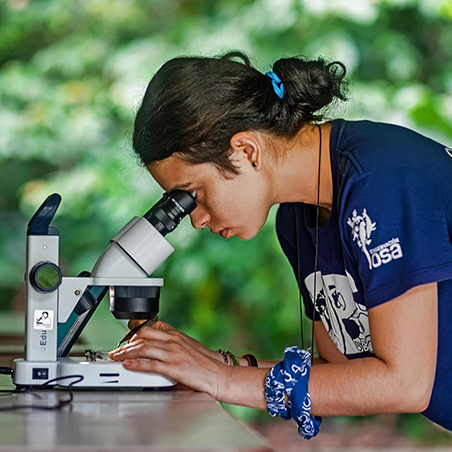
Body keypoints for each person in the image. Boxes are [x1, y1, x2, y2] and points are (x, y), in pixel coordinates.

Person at [109, 51, 452, 436]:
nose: (196, 218)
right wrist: (215, 363)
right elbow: (342, 370)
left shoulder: (384, 180)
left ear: (246, 151)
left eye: (194, 194)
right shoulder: (297, 217)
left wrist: (221, 380)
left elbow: (404, 384)